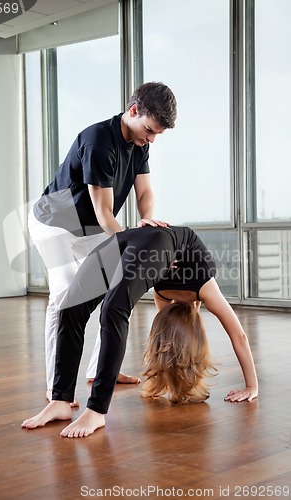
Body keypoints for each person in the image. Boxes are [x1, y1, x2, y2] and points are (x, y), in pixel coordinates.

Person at [21, 226, 259, 437]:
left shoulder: (163, 296)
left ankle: (76, 404)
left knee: (73, 308)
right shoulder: (205, 285)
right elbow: (239, 335)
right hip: (154, 243)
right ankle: (75, 404)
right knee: (110, 310)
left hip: (135, 239)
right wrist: (252, 386)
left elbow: (165, 341)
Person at [28, 82, 177, 401]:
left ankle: (100, 369)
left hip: (90, 227)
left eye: (156, 135)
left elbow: (145, 192)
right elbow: (105, 211)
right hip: (55, 222)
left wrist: (146, 218)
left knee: (120, 285)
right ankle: (57, 389)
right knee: (66, 294)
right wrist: (132, 244)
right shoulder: (99, 140)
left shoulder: (140, 144)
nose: (151, 139)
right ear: (134, 111)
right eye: (150, 130)